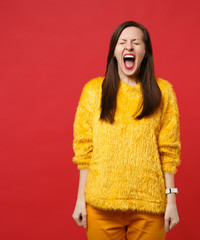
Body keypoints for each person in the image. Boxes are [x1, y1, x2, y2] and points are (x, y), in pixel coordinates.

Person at [72, 20, 181, 240]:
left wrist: (172, 202)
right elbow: (85, 152)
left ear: (145, 52)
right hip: (101, 206)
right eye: (122, 42)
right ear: (114, 52)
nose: (129, 46)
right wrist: (79, 201)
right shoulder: (94, 91)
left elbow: (169, 152)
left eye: (136, 42)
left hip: (149, 207)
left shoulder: (164, 92)